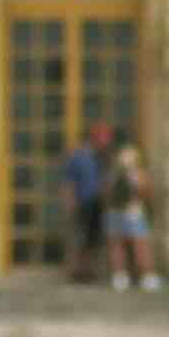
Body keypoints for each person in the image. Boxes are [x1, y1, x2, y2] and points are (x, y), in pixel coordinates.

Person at [57, 122, 114, 287]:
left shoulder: (106, 157)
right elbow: (68, 181)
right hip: (82, 202)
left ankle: (90, 271)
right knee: (77, 238)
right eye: (103, 139)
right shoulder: (79, 156)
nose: (105, 142)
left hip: (99, 203)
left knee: (94, 239)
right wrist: (69, 201)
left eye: (107, 139)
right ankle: (75, 271)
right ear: (94, 138)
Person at [106, 137, 156, 292]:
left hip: (133, 212)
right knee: (117, 245)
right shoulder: (113, 173)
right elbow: (106, 193)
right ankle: (120, 276)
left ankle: (147, 276)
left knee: (140, 245)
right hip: (116, 212)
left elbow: (147, 193)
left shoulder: (139, 174)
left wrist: (137, 183)